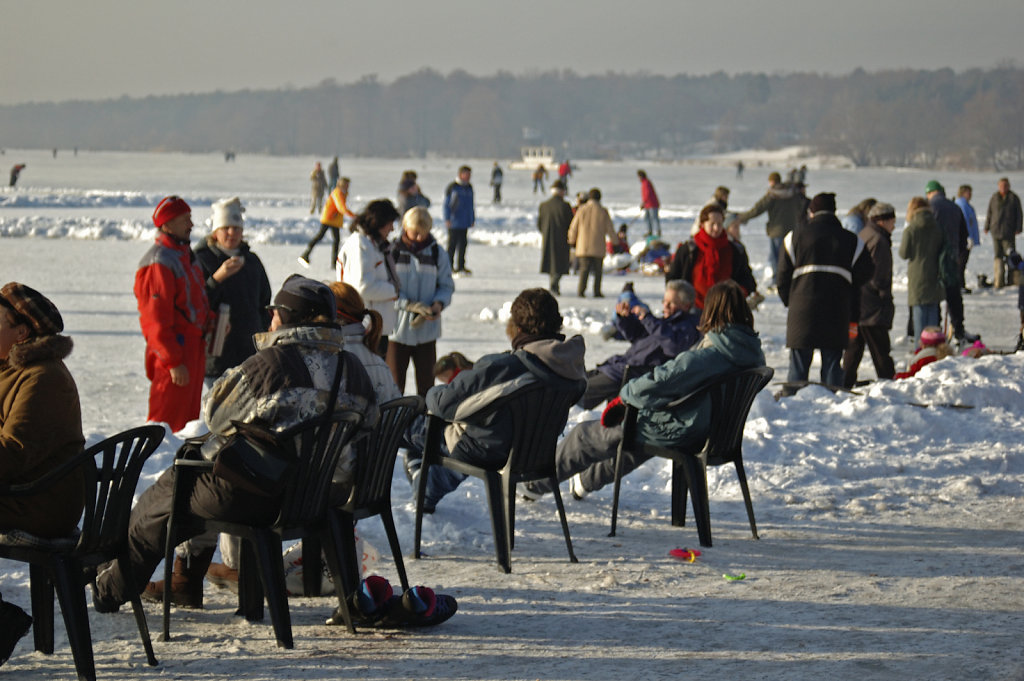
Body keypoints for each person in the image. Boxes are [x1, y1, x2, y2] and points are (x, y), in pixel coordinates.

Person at [94, 275, 379, 613]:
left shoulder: (272, 365)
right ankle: (171, 578)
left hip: (261, 497)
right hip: (318, 498)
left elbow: (215, 414)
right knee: (195, 482)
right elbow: (369, 426)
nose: (269, 318)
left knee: (176, 487)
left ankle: (112, 584)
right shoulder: (354, 368)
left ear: (286, 317)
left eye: (274, 311)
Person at [523, 280, 765, 501]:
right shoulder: (749, 353)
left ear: (711, 311)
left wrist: (627, 394)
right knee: (633, 442)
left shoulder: (713, 353)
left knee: (584, 434)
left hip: (686, 428)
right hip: (708, 430)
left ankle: (532, 483)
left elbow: (668, 376)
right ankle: (586, 481)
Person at [410, 288, 587, 513]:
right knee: (477, 427)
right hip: (535, 454)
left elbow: (445, 404)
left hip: (488, 451)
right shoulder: (570, 366)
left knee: (407, 423)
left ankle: (402, 487)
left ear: (517, 328)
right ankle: (425, 485)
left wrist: (432, 392)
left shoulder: (508, 367)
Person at [0, 283, 84, 667]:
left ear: (22, 333)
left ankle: (2, 622)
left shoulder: (42, 377)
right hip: (20, 491)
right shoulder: (10, 370)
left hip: (41, 502)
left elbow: (12, 455)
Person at [777, 193, 873, 390]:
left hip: (801, 311)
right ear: (834, 212)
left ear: (811, 212)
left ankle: (792, 404)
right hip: (836, 310)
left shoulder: (793, 238)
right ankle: (831, 406)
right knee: (831, 364)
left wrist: (792, 301)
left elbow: (782, 278)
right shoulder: (852, 241)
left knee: (798, 366)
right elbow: (866, 272)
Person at [135, 196, 213, 432]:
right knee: (166, 423)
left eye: (190, 218)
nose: (191, 224)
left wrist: (212, 322)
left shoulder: (186, 256)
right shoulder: (158, 262)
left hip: (193, 348)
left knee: (188, 423)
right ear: (167, 225)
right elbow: (154, 320)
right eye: (184, 220)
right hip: (175, 352)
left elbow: (194, 300)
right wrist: (172, 361)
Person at [578, 280, 701, 410]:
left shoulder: (688, 327)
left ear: (686, 305)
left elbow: (673, 347)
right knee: (575, 380)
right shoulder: (666, 321)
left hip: (631, 374)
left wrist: (648, 318)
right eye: (664, 301)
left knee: (577, 394)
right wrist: (624, 318)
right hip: (618, 367)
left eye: (671, 303)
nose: (665, 306)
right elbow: (637, 336)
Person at [193, 197, 272, 385]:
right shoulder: (202, 259)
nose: (232, 233)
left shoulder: (251, 261)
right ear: (215, 231)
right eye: (225, 228)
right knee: (218, 410)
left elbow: (265, 301)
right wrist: (217, 279)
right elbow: (194, 302)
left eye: (236, 228)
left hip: (249, 352)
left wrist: (264, 333)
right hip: (216, 352)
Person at [387, 206, 454, 396]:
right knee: (394, 386)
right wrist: (406, 304)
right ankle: (395, 424)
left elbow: (446, 285)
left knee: (427, 387)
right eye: (415, 232)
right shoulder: (392, 252)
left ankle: (424, 423)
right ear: (405, 227)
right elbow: (385, 288)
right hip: (397, 331)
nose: (418, 238)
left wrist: (438, 304)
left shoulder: (437, 254)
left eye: (423, 234)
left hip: (426, 332)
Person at [842, 202, 897, 388]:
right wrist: (884, 298)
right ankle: (889, 386)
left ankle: (844, 384)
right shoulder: (879, 241)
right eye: (892, 220)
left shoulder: (864, 234)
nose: (895, 225)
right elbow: (879, 276)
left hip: (858, 301)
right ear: (883, 221)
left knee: (854, 348)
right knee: (880, 349)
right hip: (872, 305)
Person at [338, 199, 401, 356]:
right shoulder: (361, 245)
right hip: (365, 329)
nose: (392, 229)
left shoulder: (372, 245)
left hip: (373, 327)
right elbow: (362, 287)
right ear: (379, 222)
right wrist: (394, 290)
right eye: (390, 223)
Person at [666, 203, 758, 309]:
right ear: (702, 224)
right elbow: (672, 279)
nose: (716, 228)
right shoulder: (688, 249)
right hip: (692, 310)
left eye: (719, 224)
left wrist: (738, 293)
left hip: (725, 310)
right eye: (712, 224)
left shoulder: (735, 250)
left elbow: (748, 279)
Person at [727, 172, 808, 289]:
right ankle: (790, 280)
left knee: (776, 258)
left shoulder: (772, 195)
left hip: (777, 231)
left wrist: (741, 218)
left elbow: (757, 210)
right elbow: (803, 207)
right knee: (790, 257)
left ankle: (777, 282)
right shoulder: (793, 193)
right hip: (792, 231)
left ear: (772, 182)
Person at [926, 180, 975, 343]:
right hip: (951, 258)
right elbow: (963, 237)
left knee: (933, 296)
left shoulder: (928, 207)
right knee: (953, 295)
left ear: (930, 193)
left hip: (933, 259)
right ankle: (958, 330)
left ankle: (935, 331)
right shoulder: (955, 207)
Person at [899, 197, 946, 343]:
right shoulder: (937, 226)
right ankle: (933, 349)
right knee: (932, 313)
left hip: (917, 276)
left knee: (919, 315)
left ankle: (920, 351)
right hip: (935, 274)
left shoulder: (911, 229)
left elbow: (903, 253)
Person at [568, 188, 620, 298]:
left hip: (583, 246)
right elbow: (610, 229)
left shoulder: (581, 210)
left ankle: (581, 291)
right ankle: (597, 291)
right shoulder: (603, 211)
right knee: (598, 271)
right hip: (598, 247)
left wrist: (572, 240)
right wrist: (615, 243)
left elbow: (573, 227)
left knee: (584, 270)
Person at [299, 177, 356, 268]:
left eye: (348, 185)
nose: (348, 187)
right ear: (341, 184)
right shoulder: (337, 193)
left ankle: (333, 262)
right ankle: (307, 253)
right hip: (329, 218)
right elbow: (341, 207)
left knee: (335, 240)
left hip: (334, 220)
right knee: (323, 237)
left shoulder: (343, 193)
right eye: (346, 185)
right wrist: (353, 215)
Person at [984, 177, 1023, 288]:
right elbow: (989, 213)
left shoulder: (1013, 198)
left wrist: (1019, 227)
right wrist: (987, 226)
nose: (1003, 187)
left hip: (1009, 231)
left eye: (1005, 185)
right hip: (996, 231)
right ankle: (999, 281)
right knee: (998, 256)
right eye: (1001, 185)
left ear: (1009, 186)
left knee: (1011, 256)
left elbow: (1019, 214)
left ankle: (1012, 280)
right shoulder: (994, 197)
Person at [538, 179, 574, 294]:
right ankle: (554, 285)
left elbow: (539, 224)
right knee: (559, 264)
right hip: (562, 240)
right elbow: (571, 224)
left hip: (548, 238)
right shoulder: (565, 206)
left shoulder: (544, 206)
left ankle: (553, 284)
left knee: (550, 263)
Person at [443, 166, 475, 274]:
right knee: (452, 245)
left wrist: (472, 218)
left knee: (463, 245)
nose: (469, 177)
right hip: (454, 222)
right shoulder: (453, 187)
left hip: (464, 222)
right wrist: (447, 218)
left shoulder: (469, 188)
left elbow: (471, 205)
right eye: (467, 174)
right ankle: (449, 267)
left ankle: (461, 266)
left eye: (470, 174)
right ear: (461, 174)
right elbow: (447, 205)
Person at [955, 185, 981, 293]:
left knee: (962, 263)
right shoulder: (962, 205)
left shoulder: (967, 205)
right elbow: (966, 222)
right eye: (968, 192)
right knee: (961, 262)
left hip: (966, 238)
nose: (970, 195)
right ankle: (960, 285)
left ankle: (961, 284)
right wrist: (968, 237)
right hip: (964, 239)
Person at [637, 170, 662, 237]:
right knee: (647, 218)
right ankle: (649, 231)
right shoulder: (644, 183)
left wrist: (643, 202)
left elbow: (647, 194)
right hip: (648, 205)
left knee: (654, 218)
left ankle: (657, 231)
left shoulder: (646, 183)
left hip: (652, 204)